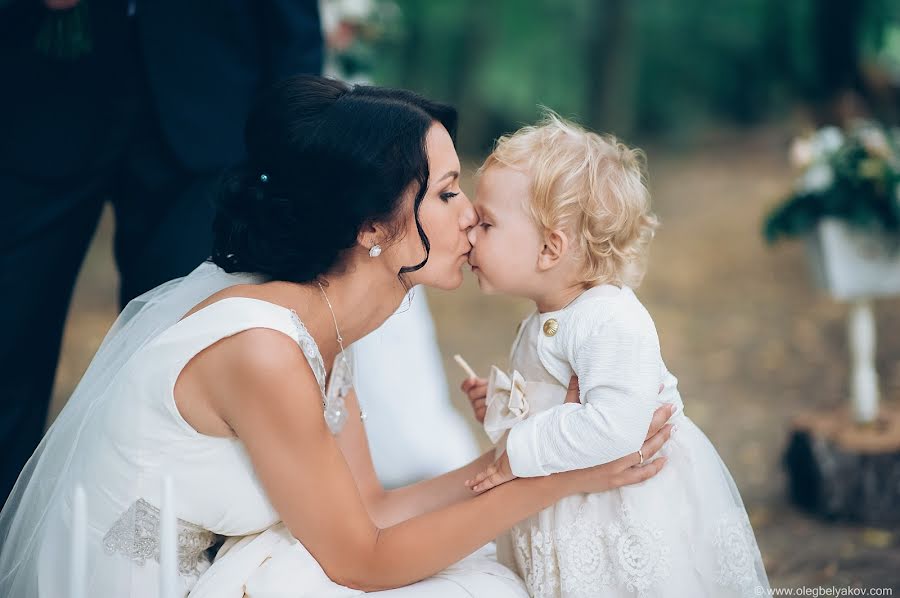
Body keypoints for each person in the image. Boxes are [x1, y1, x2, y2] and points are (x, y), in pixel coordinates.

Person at [0, 76, 674, 597]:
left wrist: (523, 463)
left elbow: (372, 508)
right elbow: (362, 558)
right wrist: (562, 479)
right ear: (371, 228)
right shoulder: (263, 350)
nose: (474, 216)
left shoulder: (323, 327)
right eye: (445, 193)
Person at [0, 0, 323, 504]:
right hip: (35, 103)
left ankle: (145, 553)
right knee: (9, 337)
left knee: (178, 354)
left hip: (207, 115)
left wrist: (291, 147)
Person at [459, 113, 770, 597]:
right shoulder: (543, 315)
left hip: (621, 510)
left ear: (550, 248)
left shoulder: (609, 319)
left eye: (487, 223)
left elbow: (616, 427)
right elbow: (552, 408)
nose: (470, 234)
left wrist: (517, 453)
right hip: (569, 502)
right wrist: (501, 406)